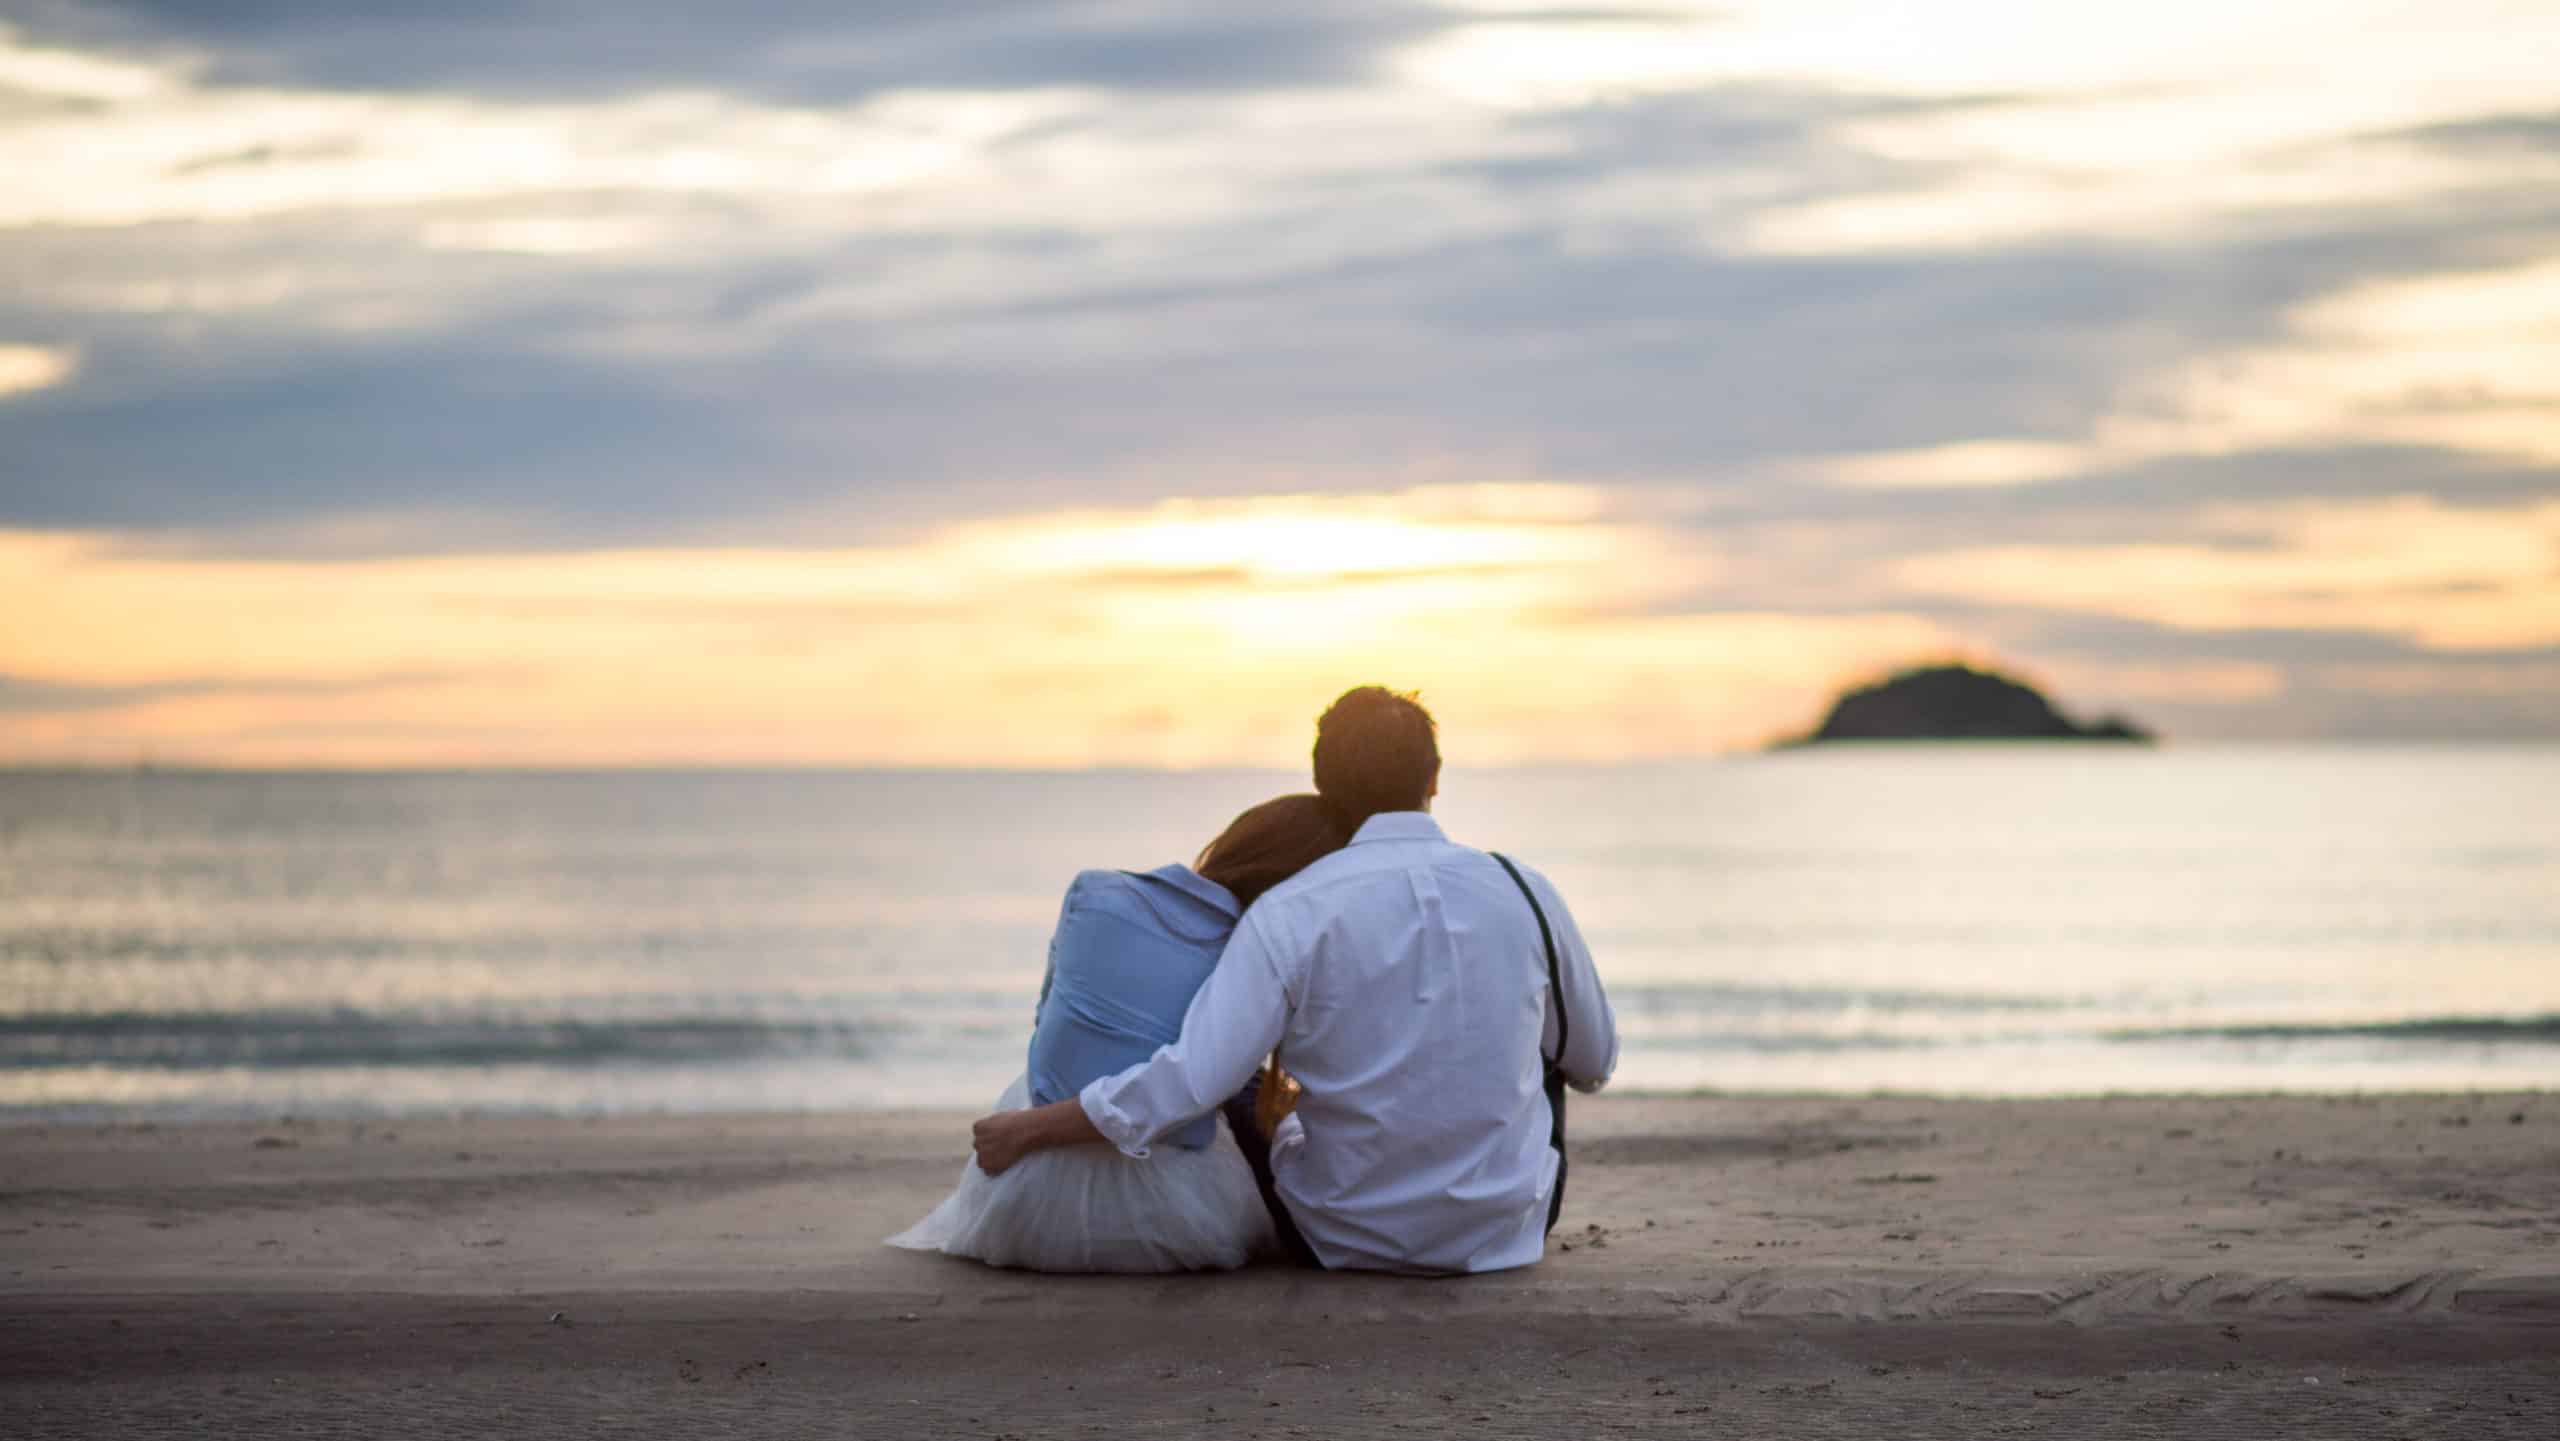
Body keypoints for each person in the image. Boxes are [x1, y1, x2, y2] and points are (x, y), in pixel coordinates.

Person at [971, 687, 1618, 1274]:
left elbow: (1190, 1078)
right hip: (1508, 1233)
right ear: (1436, 776)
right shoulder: (1526, 892)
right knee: (1546, 1038)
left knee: (1239, 1071)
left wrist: (1033, 1127)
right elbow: (1595, 1062)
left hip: (1341, 1236)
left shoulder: (1288, 911)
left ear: (1320, 782)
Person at [888, 794, 1351, 1272]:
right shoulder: (1258, 951)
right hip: (1181, 1224)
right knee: (1239, 1081)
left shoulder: (1092, 891)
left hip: (1012, 1207)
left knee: (1065, 1069)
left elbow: (1046, 1022)